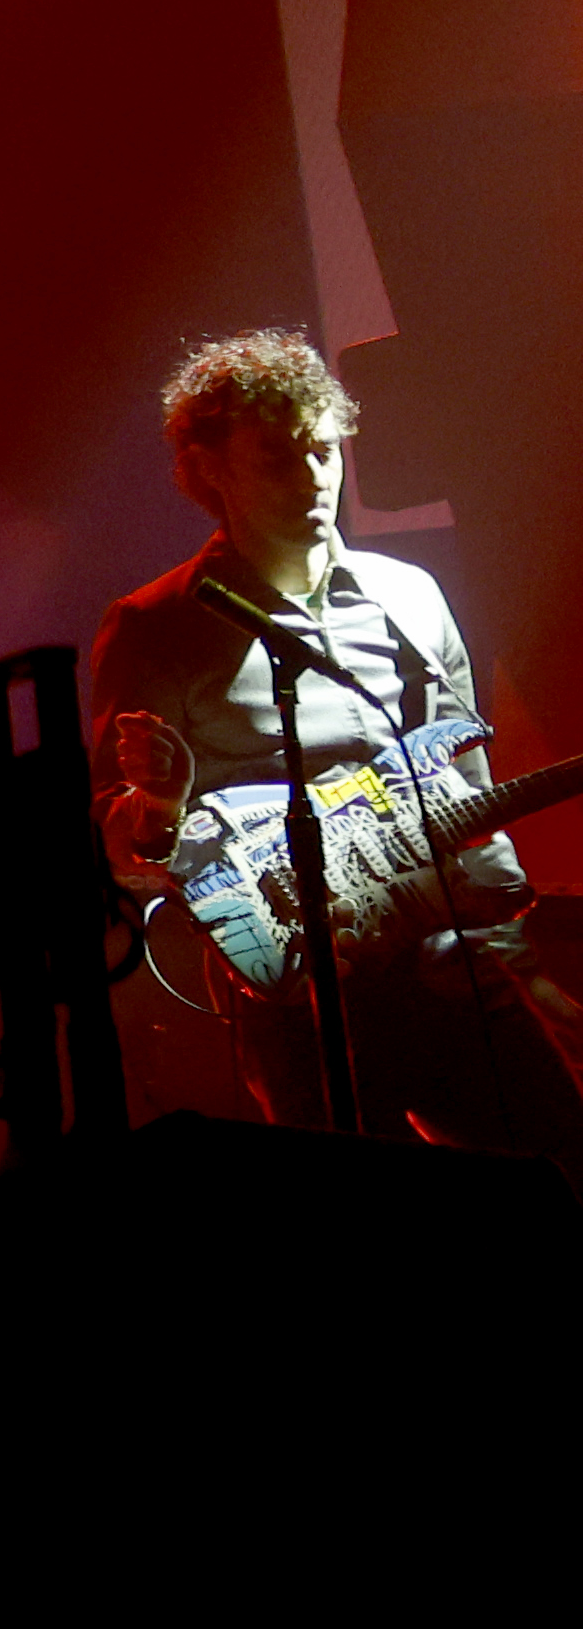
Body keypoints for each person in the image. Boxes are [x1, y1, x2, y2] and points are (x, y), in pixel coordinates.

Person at [88, 326, 575, 1167]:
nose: (313, 479)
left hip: (446, 965)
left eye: (323, 451)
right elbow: (119, 845)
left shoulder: (409, 599)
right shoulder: (154, 626)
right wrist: (160, 804)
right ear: (210, 471)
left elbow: (467, 787)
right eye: (278, 457)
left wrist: (507, 941)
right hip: (302, 996)